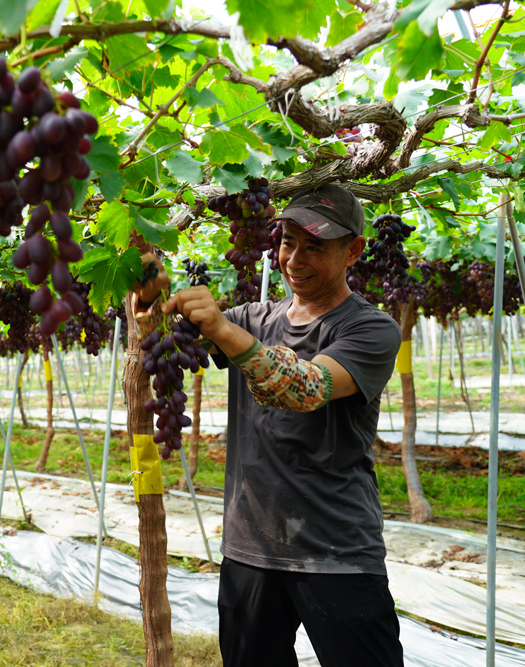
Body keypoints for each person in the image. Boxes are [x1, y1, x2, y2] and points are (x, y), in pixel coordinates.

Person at [138, 186, 404, 666]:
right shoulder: (252, 318)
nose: (294, 259)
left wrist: (220, 328)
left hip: (336, 551)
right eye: (287, 243)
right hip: (249, 550)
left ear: (354, 250)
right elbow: (167, 351)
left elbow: (303, 388)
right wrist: (152, 298)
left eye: (314, 247)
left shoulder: (371, 328)